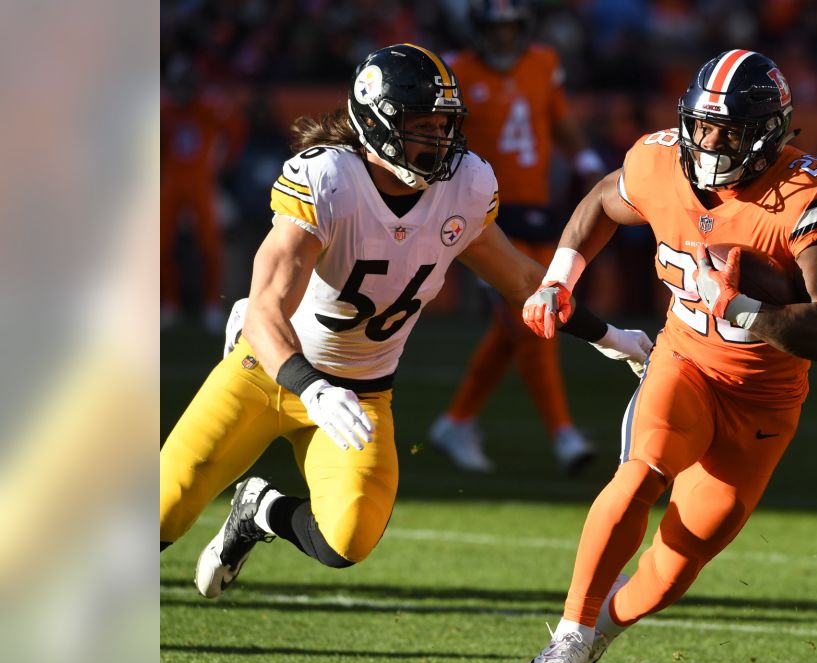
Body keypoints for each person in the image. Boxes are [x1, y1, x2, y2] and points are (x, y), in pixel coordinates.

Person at [159, 44, 651, 598]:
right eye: (421, 126)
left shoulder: (463, 187)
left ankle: (259, 512)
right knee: (160, 514)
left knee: (347, 540)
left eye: (444, 125)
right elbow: (266, 308)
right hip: (266, 373)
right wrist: (313, 389)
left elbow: (519, 280)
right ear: (375, 123)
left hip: (364, 392)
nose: (439, 141)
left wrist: (608, 336)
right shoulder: (327, 180)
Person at [519, 49, 817, 663]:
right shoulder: (656, 159)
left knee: (675, 566)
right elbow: (600, 201)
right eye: (702, 125)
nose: (709, 141)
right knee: (641, 470)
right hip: (685, 365)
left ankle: (600, 630)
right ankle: (570, 628)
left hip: (763, 402)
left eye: (728, 130)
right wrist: (560, 277)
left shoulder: (806, 195)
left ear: (768, 132)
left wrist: (743, 307)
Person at [430, 0, 608, 476]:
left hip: (536, 212)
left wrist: (586, 162)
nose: (505, 39)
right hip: (484, 215)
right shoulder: (457, 71)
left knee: (526, 319)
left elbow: (559, 119)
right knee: (533, 322)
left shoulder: (544, 62)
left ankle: (457, 420)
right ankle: (563, 433)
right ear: (479, 31)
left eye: (512, 29)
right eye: (497, 29)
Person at [160, 56, 245, 333]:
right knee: (161, 247)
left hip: (201, 183)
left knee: (210, 245)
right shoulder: (166, 110)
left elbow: (237, 128)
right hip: (170, 182)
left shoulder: (208, 108)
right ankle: (170, 303)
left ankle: (211, 304)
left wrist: (225, 162)